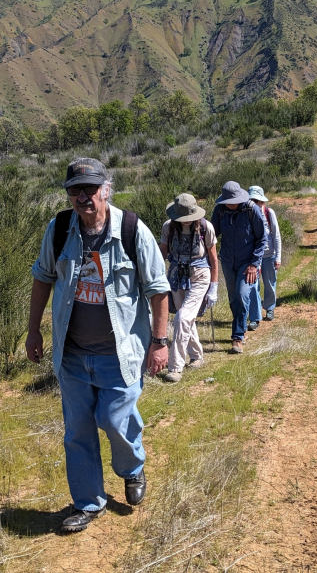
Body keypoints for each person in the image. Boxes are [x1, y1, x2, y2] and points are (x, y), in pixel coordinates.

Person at [26, 157, 171, 533]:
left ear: (106, 190)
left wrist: (159, 342)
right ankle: (88, 503)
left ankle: (132, 467)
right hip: (72, 354)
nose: (82, 196)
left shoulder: (132, 230)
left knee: (113, 418)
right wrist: (33, 331)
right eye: (74, 189)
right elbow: (42, 278)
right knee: (77, 430)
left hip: (120, 354)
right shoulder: (59, 229)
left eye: (89, 188)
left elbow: (158, 290)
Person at [159, 193, 219, 382]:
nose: (186, 220)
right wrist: (157, 279)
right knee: (185, 319)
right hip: (176, 276)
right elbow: (162, 255)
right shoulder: (168, 227)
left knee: (182, 318)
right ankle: (197, 356)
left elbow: (213, 259)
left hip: (200, 275)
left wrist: (214, 287)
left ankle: (175, 367)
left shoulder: (206, 227)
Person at [210, 181, 267, 354]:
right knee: (234, 298)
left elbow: (262, 239)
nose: (230, 204)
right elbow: (212, 235)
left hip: (247, 262)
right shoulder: (220, 211)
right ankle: (241, 327)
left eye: (233, 201)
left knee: (242, 295)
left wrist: (254, 264)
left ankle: (237, 337)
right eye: (227, 201)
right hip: (228, 261)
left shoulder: (251, 209)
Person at [248, 186, 282, 321]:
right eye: (252, 200)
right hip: (253, 256)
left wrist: (278, 257)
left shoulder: (269, 213)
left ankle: (269, 308)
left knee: (269, 283)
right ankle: (255, 315)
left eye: (256, 200)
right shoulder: (246, 214)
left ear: (262, 201)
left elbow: (276, 235)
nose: (254, 203)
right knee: (253, 285)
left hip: (269, 254)